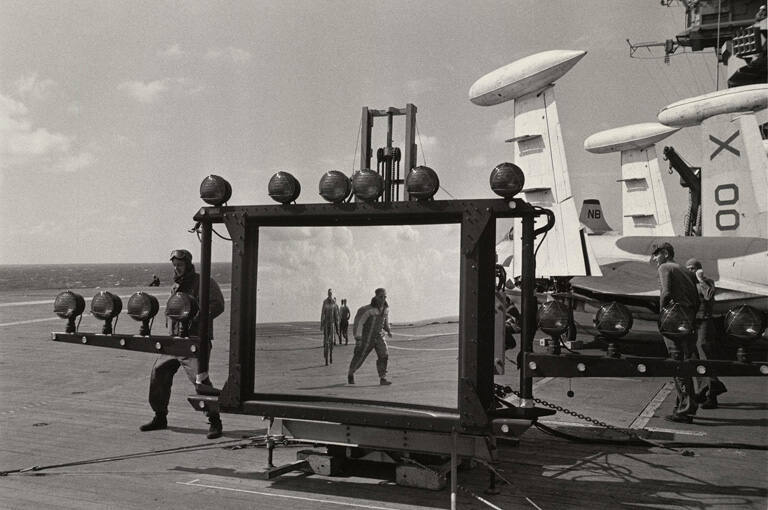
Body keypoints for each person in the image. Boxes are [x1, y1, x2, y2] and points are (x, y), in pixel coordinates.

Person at [139, 249, 226, 439]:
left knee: (200, 380)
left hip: (194, 341)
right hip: (174, 342)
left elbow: (218, 304)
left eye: (180, 265)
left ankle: (214, 421)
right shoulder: (175, 285)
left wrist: (197, 317)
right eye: (174, 266)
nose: (177, 269)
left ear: (188, 264)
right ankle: (160, 416)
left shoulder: (204, 282)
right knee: (158, 373)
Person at [651, 242, 700, 424]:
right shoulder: (684, 269)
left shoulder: (665, 267)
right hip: (687, 318)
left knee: (676, 363)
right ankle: (682, 405)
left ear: (664, 253)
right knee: (685, 363)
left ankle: (686, 409)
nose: (654, 259)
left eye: (656, 254)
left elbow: (666, 292)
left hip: (673, 320)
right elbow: (696, 299)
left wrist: (662, 314)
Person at [686, 258, 727, 409]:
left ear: (699, 269)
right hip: (691, 323)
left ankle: (712, 392)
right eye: (688, 268)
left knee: (704, 354)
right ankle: (703, 390)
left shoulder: (707, 282)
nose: (690, 271)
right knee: (694, 358)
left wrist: (700, 279)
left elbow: (709, 296)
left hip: (704, 322)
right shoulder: (687, 284)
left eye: (693, 268)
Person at [347, 288, 392, 385]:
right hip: (367, 338)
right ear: (375, 297)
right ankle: (351, 373)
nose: (383, 299)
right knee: (360, 356)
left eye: (384, 297)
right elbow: (359, 324)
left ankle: (383, 378)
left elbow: (385, 321)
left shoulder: (386, 309)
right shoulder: (367, 310)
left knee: (384, 354)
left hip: (379, 336)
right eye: (381, 297)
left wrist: (388, 330)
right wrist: (358, 338)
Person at [320, 289, 338, 365]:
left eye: (331, 293)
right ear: (327, 294)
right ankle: (326, 357)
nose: (330, 294)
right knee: (326, 341)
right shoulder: (325, 302)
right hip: (326, 323)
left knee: (331, 342)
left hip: (332, 323)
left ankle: (331, 354)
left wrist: (337, 325)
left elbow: (336, 314)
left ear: (332, 294)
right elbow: (322, 313)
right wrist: (321, 324)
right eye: (329, 293)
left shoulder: (334, 303)